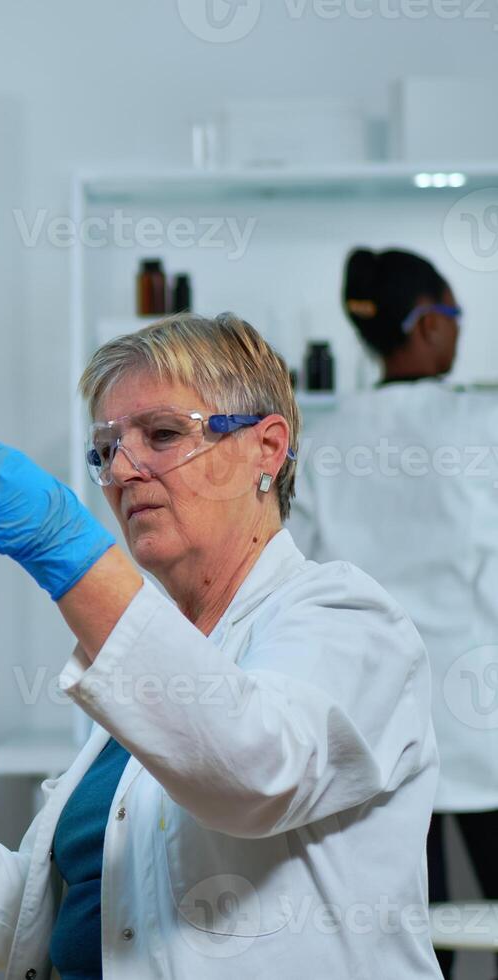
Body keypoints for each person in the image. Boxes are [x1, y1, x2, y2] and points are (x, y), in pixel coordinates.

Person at [0, 313, 439, 978]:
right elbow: (40, 923)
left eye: (162, 434)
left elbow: (254, 768)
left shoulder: (350, 619)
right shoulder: (154, 663)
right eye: (106, 449)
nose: (123, 471)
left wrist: (67, 550)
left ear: (267, 448)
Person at [291, 248, 498, 977]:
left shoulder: (326, 442)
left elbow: (303, 583)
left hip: (382, 730)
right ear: (430, 323)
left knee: (409, 942)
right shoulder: (482, 425)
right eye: (455, 313)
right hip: (484, 722)